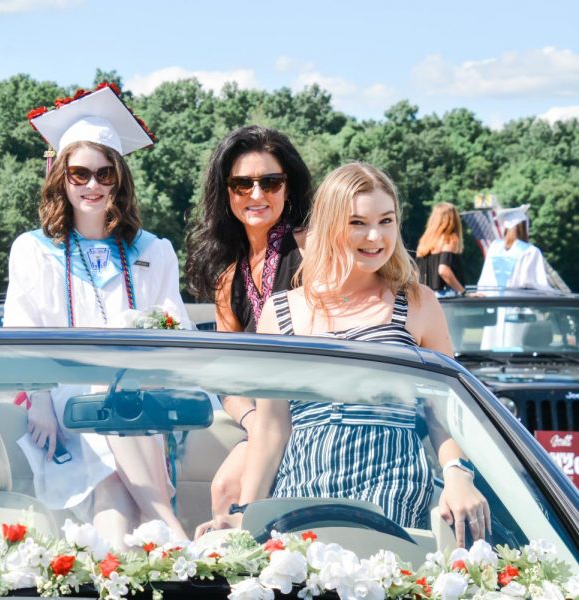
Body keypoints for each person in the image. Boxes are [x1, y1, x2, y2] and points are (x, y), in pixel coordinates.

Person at [198, 163, 489, 548]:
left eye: (386, 221)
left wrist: (456, 474)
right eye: (357, 223)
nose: (375, 236)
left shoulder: (419, 302)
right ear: (331, 225)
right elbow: (271, 428)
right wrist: (245, 514)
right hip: (301, 490)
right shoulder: (281, 310)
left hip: (392, 490)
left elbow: (444, 413)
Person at [4, 83, 191, 546]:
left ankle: (117, 567)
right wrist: (41, 400)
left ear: (120, 179)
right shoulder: (33, 250)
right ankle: (170, 529)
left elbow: (177, 331)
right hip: (65, 410)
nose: (92, 185)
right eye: (80, 173)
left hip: (139, 409)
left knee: (113, 487)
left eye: (105, 174)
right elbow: (22, 333)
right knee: (109, 466)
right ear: (60, 177)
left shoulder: (153, 252)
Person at [184, 126, 312, 520]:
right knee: (223, 487)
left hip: (313, 415)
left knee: (232, 490)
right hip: (264, 420)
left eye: (270, 182)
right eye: (242, 184)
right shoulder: (228, 276)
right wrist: (254, 422)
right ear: (226, 192)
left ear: (288, 188)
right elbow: (226, 377)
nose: (257, 195)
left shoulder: (312, 251)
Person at [477, 209, 551, 291]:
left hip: (493, 300)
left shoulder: (494, 247)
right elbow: (535, 284)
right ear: (524, 227)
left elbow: (485, 280)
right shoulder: (531, 251)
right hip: (517, 301)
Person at [415, 202, 466, 296]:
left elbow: (416, 273)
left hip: (425, 296)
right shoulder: (449, 239)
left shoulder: (424, 242)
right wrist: (463, 291)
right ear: (454, 219)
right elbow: (443, 270)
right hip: (445, 294)